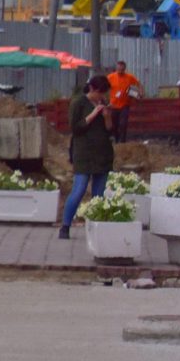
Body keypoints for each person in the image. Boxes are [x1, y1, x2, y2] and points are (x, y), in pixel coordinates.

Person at [60, 73, 116, 239]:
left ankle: (96, 228)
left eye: (104, 93)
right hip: (84, 153)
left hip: (102, 153)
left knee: (98, 195)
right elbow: (75, 128)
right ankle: (65, 226)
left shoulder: (103, 102)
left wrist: (107, 117)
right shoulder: (79, 103)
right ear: (92, 89)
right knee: (79, 190)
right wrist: (93, 114)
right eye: (100, 92)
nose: (102, 96)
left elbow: (110, 130)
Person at [106, 58, 140, 142]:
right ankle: (116, 139)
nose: (120, 71)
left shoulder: (130, 77)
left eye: (122, 69)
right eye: (119, 69)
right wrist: (106, 100)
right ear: (116, 69)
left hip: (125, 105)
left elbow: (138, 85)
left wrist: (140, 94)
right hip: (113, 105)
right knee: (114, 124)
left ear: (124, 69)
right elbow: (104, 88)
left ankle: (123, 140)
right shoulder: (110, 77)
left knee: (123, 123)